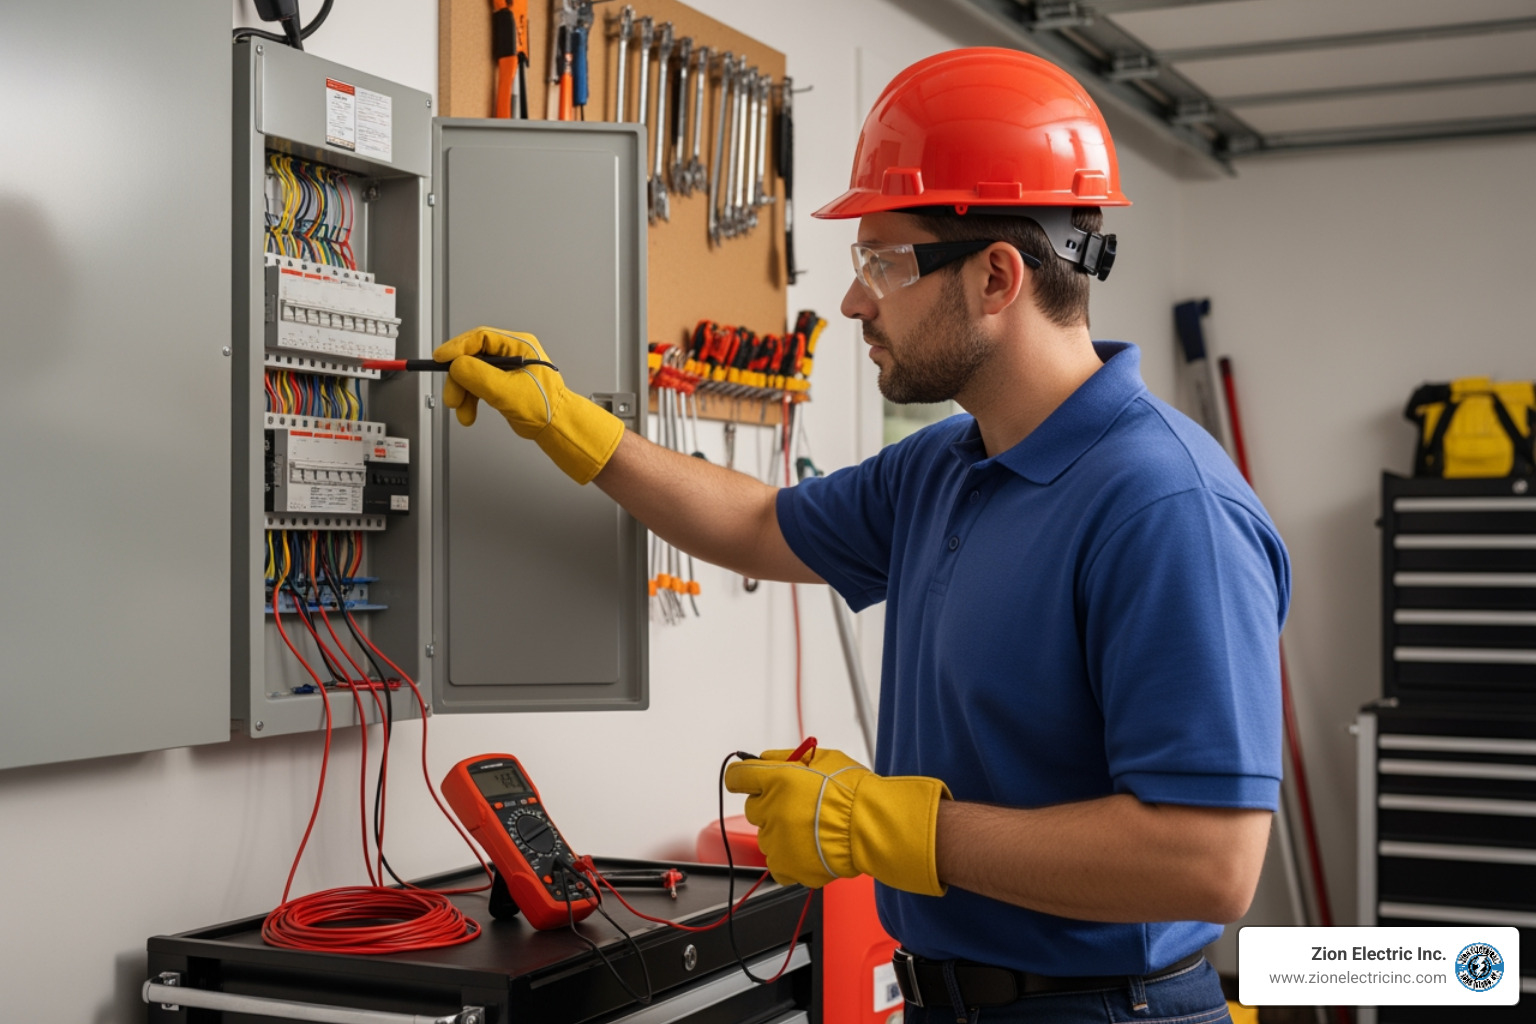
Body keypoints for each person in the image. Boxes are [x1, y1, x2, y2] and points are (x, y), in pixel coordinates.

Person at [434, 47, 1287, 1024]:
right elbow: (760, 523)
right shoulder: (947, 467)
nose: (853, 302)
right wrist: (567, 422)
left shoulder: (1165, 506)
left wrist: (878, 824)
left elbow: (1209, 861)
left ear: (997, 277)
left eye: (881, 262)